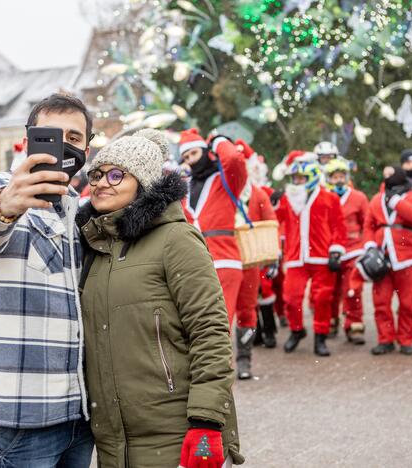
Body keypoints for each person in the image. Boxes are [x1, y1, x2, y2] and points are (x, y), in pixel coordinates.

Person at [76, 128, 242, 468]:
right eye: (96, 174)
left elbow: (210, 332)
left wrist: (207, 421)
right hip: (113, 442)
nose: (101, 182)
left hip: (174, 434)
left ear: (143, 181)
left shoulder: (175, 239)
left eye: (116, 174)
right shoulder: (94, 246)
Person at [0, 93, 94, 467]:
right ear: (30, 137)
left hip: (77, 417)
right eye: (53, 133)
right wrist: (6, 204)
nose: (66, 145)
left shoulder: (77, 208)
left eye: (76, 138)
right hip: (15, 422)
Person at [274, 158, 346, 356]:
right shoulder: (287, 199)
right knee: (290, 297)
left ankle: (320, 337)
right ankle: (297, 330)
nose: (296, 182)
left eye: (301, 178)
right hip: (297, 256)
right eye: (295, 178)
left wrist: (336, 251)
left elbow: (338, 226)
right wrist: (272, 202)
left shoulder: (329, 198)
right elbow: (275, 218)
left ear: (312, 178)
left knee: (322, 298)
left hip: (322, 256)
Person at [179, 128, 248, 328]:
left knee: (218, 328)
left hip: (224, 261)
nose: (190, 159)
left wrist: (217, 141)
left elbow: (234, 158)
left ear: (205, 151)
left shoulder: (226, 179)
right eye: (186, 156)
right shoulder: (184, 187)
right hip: (191, 265)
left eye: (194, 153)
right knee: (194, 329)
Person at [364, 167, 412, 356]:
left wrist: (396, 201)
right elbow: (368, 225)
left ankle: (406, 339)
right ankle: (386, 339)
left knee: (408, 303)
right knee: (381, 302)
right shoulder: (376, 199)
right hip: (382, 258)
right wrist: (369, 246)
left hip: (408, 257)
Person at [233, 139, 277, 379]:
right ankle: (216, 363)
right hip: (222, 261)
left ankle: (244, 360)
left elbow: (271, 224)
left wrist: (272, 258)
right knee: (218, 312)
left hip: (249, 262)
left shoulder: (258, 195)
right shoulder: (220, 193)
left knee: (247, 310)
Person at [324, 158, 369, 344]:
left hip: (353, 249)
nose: (339, 180)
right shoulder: (323, 197)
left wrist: (366, 246)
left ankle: (354, 324)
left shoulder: (358, 197)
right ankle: (330, 321)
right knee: (330, 291)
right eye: (335, 177)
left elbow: (366, 223)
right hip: (330, 250)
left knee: (352, 289)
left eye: (342, 176)